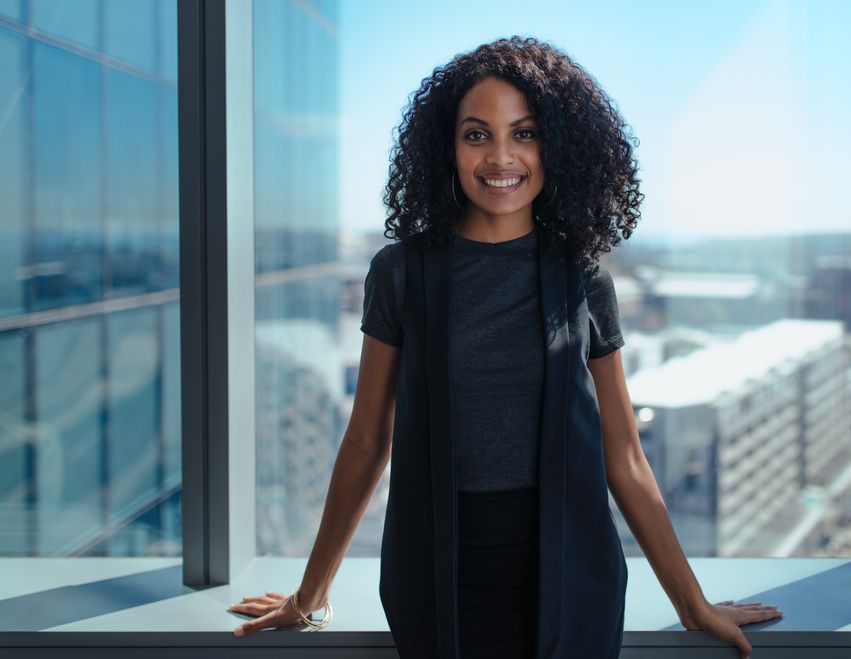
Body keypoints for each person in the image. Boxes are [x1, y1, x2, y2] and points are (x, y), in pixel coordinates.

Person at [228, 36, 782, 658]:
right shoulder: (400, 273)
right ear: (447, 147)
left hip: (572, 574)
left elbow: (624, 455)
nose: (500, 156)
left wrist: (692, 603)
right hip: (436, 575)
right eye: (476, 134)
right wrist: (310, 594)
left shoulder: (583, 277)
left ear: (558, 147)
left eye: (524, 133)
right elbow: (366, 440)